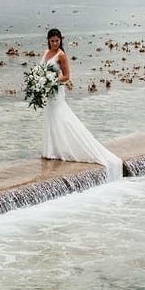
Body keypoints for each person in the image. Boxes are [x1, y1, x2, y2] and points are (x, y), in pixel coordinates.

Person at [40, 28, 121, 179]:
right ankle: (52, 150)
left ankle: (69, 147)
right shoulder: (46, 53)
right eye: (52, 40)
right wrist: (40, 80)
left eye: (57, 40)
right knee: (50, 118)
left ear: (60, 40)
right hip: (48, 92)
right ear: (48, 40)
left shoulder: (61, 55)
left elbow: (66, 76)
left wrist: (52, 80)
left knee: (61, 117)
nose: (55, 43)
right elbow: (40, 70)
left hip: (57, 91)